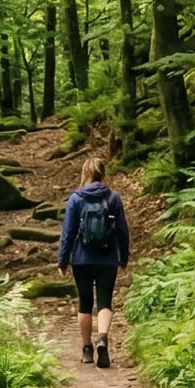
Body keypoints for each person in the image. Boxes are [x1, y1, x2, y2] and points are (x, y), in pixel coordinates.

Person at [55, 154, 131, 367]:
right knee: (105, 302)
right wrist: (123, 257)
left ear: (85, 173)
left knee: (85, 303)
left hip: (82, 259)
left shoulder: (76, 198)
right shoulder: (113, 197)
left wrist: (63, 260)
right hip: (108, 258)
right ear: (102, 173)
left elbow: (68, 233)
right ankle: (103, 339)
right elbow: (122, 230)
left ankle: (87, 349)